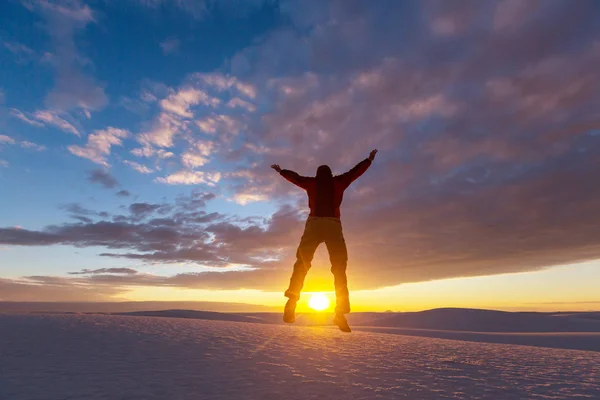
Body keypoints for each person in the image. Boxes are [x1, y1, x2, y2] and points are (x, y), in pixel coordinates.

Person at [271, 149, 377, 332]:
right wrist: (368, 160)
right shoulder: (338, 181)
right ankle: (340, 312)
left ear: (317, 175)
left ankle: (292, 301)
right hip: (333, 226)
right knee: (339, 268)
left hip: (313, 225)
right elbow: (354, 173)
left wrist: (282, 172)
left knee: (302, 263)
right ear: (330, 174)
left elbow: (296, 178)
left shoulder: (312, 183)